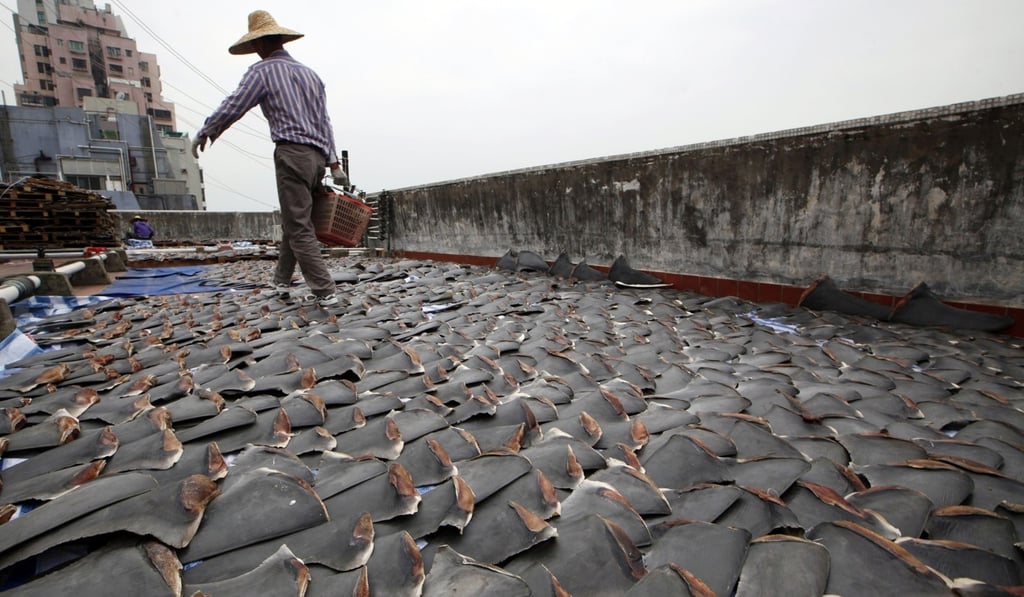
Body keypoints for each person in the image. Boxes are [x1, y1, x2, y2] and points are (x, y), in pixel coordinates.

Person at [191, 10, 348, 307]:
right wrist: (334, 163)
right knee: (296, 220)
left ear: (259, 44)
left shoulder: (262, 72)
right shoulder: (311, 75)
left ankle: (325, 291)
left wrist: (207, 130)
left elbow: (235, 104)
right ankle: (280, 281)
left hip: (292, 153)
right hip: (316, 159)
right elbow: (324, 122)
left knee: (299, 226)